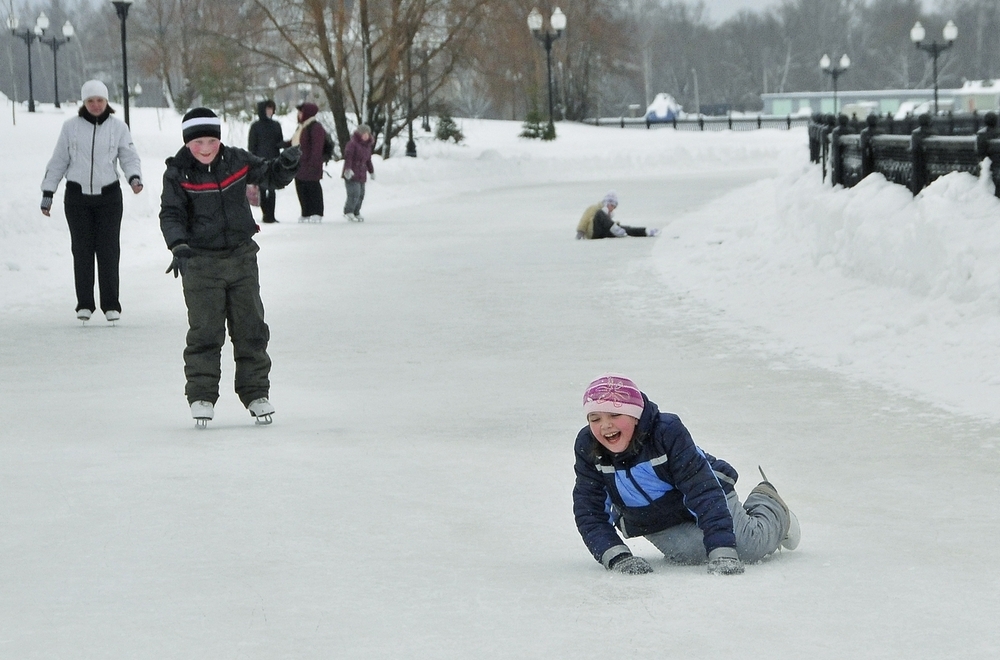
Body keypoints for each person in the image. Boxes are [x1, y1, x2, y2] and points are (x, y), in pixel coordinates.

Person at [573, 374, 800, 575]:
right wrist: (617, 556)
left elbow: (702, 490)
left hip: (706, 494)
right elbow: (589, 510)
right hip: (653, 518)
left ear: (634, 415)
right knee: (691, 555)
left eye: (615, 414)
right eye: (595, 419)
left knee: (747, 548)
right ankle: (736, 524)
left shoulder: (666, 432)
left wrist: (723, 552)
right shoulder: (588, 447)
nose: (605, 426)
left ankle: (769, 503)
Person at [159, 107, 300, 427]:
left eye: (211, 140)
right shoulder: (178, 172)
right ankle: (201, 395)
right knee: (205, 331)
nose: (206, 148)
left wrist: (287, 164)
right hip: (199, 263)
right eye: (198, 143)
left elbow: (270, 174)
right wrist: (178, 244)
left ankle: (255, 392)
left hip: (241, 258)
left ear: (220, 140)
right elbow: (171, 214)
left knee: (250, 327)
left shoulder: (237, 160)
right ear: (186, 144)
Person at [40, 79, 143, 323]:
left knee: (108, 250)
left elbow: (129, 157)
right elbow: (58, 161)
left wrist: (134, 178)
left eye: (100, 100)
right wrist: (48, 192)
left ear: (107, 102)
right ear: (83, 103)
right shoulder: (70, 127)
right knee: (82, 250)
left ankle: (111, 304)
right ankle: (84, 303)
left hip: (109, 197)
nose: (95, 105)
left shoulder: (118, 127)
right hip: (77, 198)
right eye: (90, 101)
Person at [247, 99, 285, 223]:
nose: (269, 111)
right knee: (262, 189)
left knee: (273, 189)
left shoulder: (276, 125)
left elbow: (279, 142)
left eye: (271, 109)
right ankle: (265, 214)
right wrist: (252, 162)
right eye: (267, 109)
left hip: (274, 161)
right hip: (260, 162)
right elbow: (252, 146)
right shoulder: (255, 126)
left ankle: (271, 215)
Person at [290, 102, 326, 222]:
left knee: (313, 188)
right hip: (299, 164)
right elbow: (296, 142)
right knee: (301, 188)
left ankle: (317, 212)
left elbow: (317, 147)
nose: (299, 115)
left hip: (310, 164)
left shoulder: (315, 127)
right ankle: (306, 212)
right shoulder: (301, 127)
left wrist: (313, 163)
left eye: (301, 112)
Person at [575, 192, 659, 239]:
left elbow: (607, 223)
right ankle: (615, 229)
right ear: (606, 203)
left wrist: (618, 226)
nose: (612, 208)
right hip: (593, 232)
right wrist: (580, 232)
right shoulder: (595, 208)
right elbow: (584, 219)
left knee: (625, 228)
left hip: (604, 233)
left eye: (614, 207)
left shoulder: (609, 214)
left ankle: (645, 231)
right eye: (611, 205)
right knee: (600, 214)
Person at [342, 124, 375, 222]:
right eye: (363, 134)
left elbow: (368, 160)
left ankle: (356, 211)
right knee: (354, 193)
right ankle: (349, 211)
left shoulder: (367, 146)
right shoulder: (352, 144)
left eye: (367, 134)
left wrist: (371, 171)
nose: (365, 136)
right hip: (352, 173)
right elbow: (348, 157)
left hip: (362, 173)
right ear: (359, 134)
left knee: (361, 194)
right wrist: (347, 169)